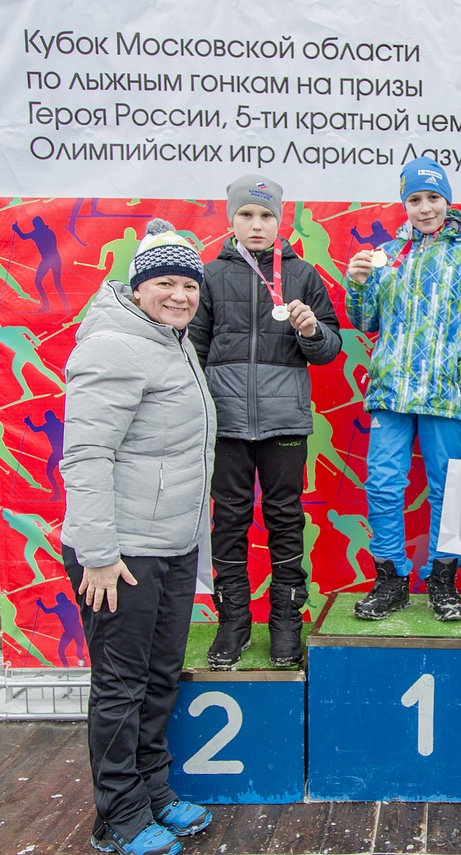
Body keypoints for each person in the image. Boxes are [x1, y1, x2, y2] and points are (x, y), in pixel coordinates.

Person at [60, 219, 216, 855]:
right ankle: (117, 819)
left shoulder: (168, 339)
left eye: (188, 284)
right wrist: (98, 556)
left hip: (171, 546)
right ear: (139, 286)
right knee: (122, 686)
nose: (180, 295)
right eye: (166, 283)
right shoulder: (114, 344)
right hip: (120, 555)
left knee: (159, 677)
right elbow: (87, 456)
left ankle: (153, 790)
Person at [189, 175, 342, 669]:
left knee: (284, 520)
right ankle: (232, 622)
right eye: (247, 215)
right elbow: (193, 349)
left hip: (284, 423)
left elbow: (328, 349)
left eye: (266, 216)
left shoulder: (303, 275)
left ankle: (285, 622)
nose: (257, 225)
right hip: (226, 422)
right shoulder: (210, 275)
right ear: (231, 219)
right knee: (228, 521)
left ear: (282, 220)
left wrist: (312, 330)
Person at [345, 157, 461, 621]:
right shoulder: (387, 255)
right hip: (391, 392)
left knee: (447, 491)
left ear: (448, 201)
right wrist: (357, 284)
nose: (425, 207)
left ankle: (441, 580)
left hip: (447, 397)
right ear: (404, 204)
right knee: (383, 485)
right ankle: (390, 580)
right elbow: (366, 321)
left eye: (433, 198)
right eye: (415, 199)